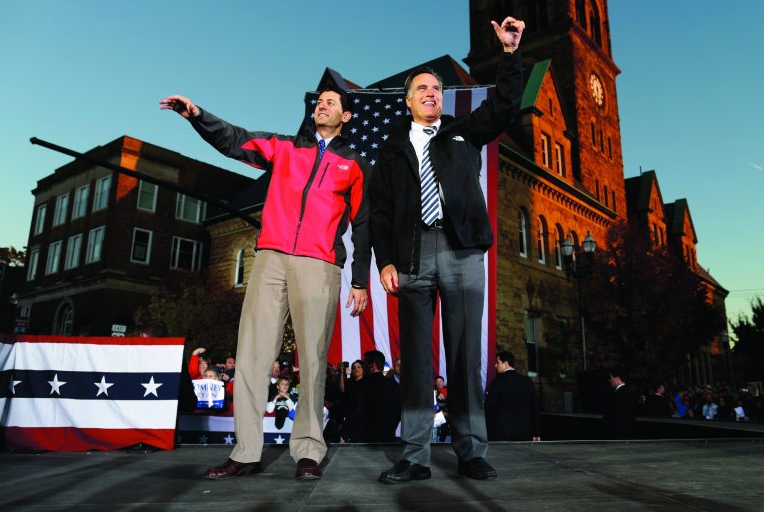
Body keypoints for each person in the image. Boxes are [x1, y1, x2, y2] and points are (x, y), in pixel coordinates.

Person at [160, 84, 371, 481]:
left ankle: (308, 450)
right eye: (319, 101)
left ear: (345, 117)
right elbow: (237, 140)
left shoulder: (355, 164)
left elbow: (363, 225)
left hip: (319, 263)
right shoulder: (286, 148)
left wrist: (359, 280)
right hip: (271, 256)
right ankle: (245, 451)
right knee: (253, 354)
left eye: (332, 102)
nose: (322, 105)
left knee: (312, 358)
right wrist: (198, 116)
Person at [371, 16, 524, 484]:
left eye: (436, 88)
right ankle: (415, 457)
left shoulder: (462, 132)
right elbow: (378, 212)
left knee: (464, 355)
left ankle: (471, 451)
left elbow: (504, 105)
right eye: (422, 88)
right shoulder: (393, 149)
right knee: (417, 362)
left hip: (461, 252)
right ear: (408, 99)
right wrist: (386, 261)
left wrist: (511, 55)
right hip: (413, 255)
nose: (431, 92)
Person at [484, 351, 541, 442]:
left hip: (501, 435)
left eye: (497, 363)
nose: (495, 366)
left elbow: (489, 409)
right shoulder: (527, 382)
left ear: (506, 363)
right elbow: (535, 408)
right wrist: (536, 433)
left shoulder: (496, 382)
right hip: (524, 434)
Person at [356, 350, 401, 442]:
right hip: (388, 437)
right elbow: (398, 411)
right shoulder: (394, 385)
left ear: (372, 365)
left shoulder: (362, 384)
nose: (363, 366)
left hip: (367, 439)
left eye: (365, 363)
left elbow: (357, 410)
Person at [602, 368, 637, 439]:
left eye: (611, 378)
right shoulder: (628, 391)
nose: (609, 380)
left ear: (617, 378)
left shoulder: (620, 393)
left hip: (618, 433)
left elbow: (615, 413)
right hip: (625, 431)